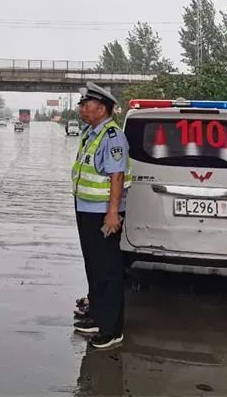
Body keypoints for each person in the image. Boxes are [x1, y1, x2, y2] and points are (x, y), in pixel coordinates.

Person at [71, 81, 131, 349]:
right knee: (93, 267)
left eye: (87, 104)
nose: (82, 108)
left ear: (102, 108)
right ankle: (97, 316)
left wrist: (112, 214)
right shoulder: (90, 133)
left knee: (108, 271)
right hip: (86, 209)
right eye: (81, 104)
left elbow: (117, 176)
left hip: (103, 214)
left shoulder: (112, 136)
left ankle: (112, 329)